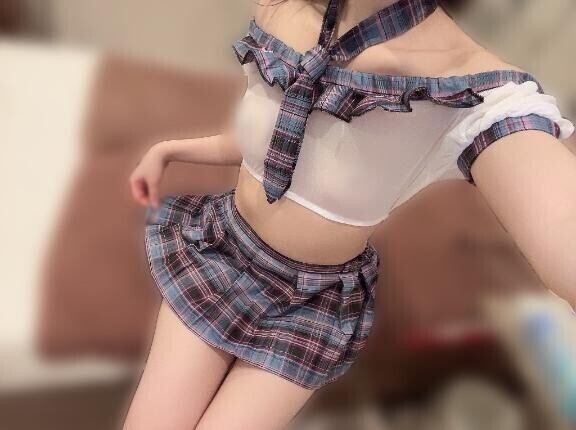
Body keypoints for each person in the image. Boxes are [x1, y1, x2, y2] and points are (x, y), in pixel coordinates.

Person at [123, 0, 576, 428]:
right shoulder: (281, 9)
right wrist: (170, 149)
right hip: (222, 253)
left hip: (310, 305)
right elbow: (265, 138)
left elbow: (560, 224)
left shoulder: (475, 89)